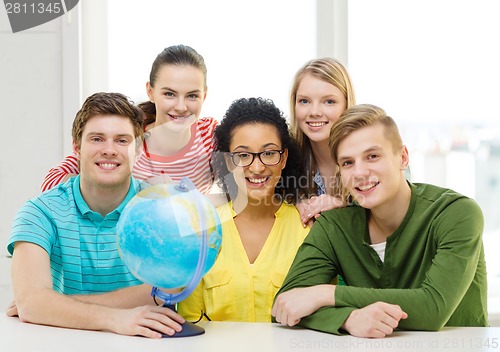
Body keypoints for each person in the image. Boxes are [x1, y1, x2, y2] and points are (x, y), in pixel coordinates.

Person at [272, 104, 488, 338]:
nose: (360, 172)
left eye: (372, 156)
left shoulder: (456, 213)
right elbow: (285, 306)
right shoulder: (334, 226)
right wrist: (347, 319)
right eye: (347, 163)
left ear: (402, 157)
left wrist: (326, 294)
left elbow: (433, 307)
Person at [7, 92, 185, 338]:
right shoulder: (38, 212)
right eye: (97, 139)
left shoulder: (162, 208)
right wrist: (116, 318)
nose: (109, 150)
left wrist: (55, 304)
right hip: (60, 343)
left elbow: (168, 289)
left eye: (122, 140)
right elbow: (31, 304)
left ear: (139, 150)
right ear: (77, 148)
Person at [177, 97, 310, 322]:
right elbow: (191, 324)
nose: (257, 168)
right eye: (243, 155)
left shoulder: (307, 229)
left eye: (268, 153)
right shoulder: (203, 232)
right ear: (228, 162)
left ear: (284, 158)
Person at [41, 45, 217, 194]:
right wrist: (141, 190)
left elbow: (236, 197)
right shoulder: (126, 138)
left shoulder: (209, 136)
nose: (181, 106)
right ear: (151, 92)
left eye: (192, 96)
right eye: (169, 94)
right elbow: (51, 184)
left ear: (205, 95)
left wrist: (181, 198)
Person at [289, 58, 356, 227]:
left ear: (346, 105)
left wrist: (344, 205)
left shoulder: (371, 151)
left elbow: (394, 208)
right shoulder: (285, 157)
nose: (314, 112)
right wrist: (294, 205)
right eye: (304, 101)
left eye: (329, 101)